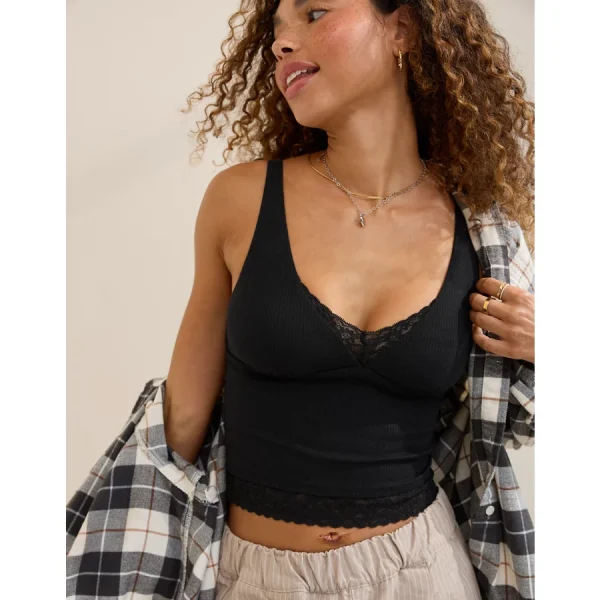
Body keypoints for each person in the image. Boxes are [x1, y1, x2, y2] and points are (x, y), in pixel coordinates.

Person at [165, 0, 535, 598]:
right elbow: (180, 421)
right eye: (276, 31)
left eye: (314, 13)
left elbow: (513, 424)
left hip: (424, 570)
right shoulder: (240, 200)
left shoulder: (483, 230)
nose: (282, 43)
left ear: (403, 29)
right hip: (255, 579)